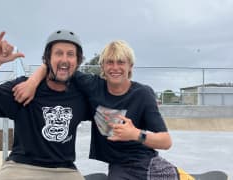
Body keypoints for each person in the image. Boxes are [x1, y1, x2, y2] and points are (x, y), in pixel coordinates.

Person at [13, 40, 194, 180]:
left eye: (121, 62)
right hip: (118, 167)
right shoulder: (93, 87)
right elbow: (58, 64)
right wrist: (32, 82)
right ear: (103, 67)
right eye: (110, 62)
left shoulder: (143, 94)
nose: (115, 68)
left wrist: (136, 134)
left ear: (130, 66)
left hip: (147, 162)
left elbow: (166, 141)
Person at [0, 30, 92, 180]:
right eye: (58, 53)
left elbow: (109, 106)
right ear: (47, 59)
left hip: (64, 170)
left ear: (77, 61)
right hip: (21, 166)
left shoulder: (81, 95)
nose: (65, 59)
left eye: (70, 54)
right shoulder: (24, 87)